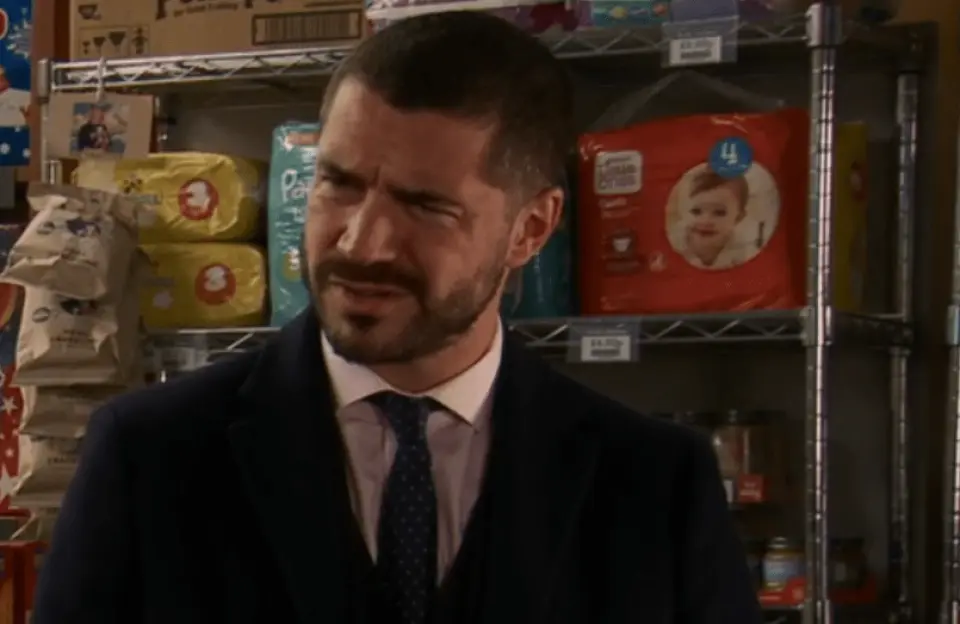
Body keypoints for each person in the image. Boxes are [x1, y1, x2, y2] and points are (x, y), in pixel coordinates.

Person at [33, 12, 762, 624]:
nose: (362, 243)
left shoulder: (657, 485)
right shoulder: (150, 457)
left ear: (531, 229)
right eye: (339, 184)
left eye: (424, 205)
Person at [678, 168, 750, 269]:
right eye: (696, 211)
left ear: (738, 218)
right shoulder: (677, 240)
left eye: (719, 213)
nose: (705, 221)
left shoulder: (739, 248)